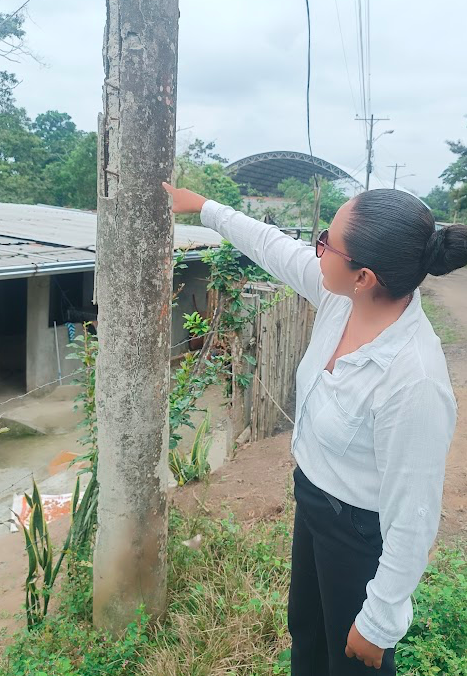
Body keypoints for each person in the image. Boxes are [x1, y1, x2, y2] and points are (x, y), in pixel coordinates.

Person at [163, 181, 466, 674]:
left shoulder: (414, 380)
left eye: (326, 242)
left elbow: (413, 516)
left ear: (363, 276)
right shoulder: (342, 300)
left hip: (358, 533)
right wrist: (204, 207)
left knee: (350, 660)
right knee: (306, 635)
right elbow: (272, 245)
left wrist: (380, 620)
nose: (315, 248)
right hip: (313, 502)